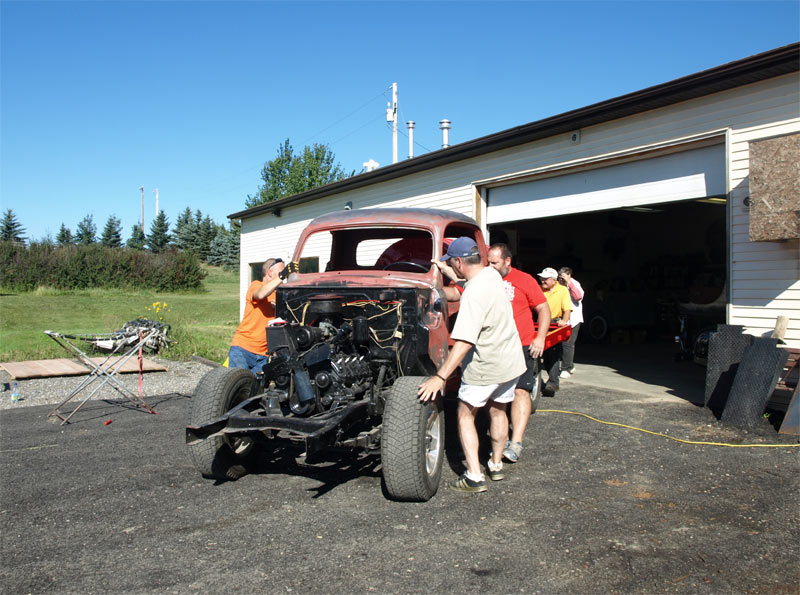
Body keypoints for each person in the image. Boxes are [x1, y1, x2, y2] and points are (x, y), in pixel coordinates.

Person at [419, 237, 526, 494]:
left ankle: (474, 476)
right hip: (510, 362)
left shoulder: (472, 296)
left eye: (452, 263)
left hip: (486, 366)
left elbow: (464, 342)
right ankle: (496, 464)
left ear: (458, 261)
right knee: (498, 410)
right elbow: (471, 281)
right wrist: (451, 274)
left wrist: (440, 377)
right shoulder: (492, 274)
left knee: (466, 414)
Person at [487, 243, 551, 464]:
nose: (490, 266)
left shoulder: (525, 280)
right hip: (495, 347)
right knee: (497, 397)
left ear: (507, 261)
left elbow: (543, 309)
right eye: (488, 262)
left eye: (494, 262)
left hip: (522, 345)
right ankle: (500, 440)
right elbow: (458, 291)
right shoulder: (485, 279)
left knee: (521, 392)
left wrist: (540, 337)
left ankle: (516, 443)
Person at [228, 258, 288, 374]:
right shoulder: (256, 285)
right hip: (243, 350)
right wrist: (281, 277)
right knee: (239, 387)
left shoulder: (278, 294)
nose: (284, 276)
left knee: (256, 390)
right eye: (281, 272)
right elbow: (260, 294)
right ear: (270, 273)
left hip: (264, 356)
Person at [537, 267, 572, 396]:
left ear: (553, 280)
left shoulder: (562, 290)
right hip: (541, 321)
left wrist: (564, 321)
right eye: (542, 278)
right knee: (541, 354)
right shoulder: (540, 290)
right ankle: (540, 381)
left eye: (545, 279)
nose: (542, 281)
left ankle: (553, 383)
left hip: (555, 322)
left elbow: (567, 309)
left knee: (553, 353)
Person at [558, 267, 584, 378]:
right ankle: (570, 365)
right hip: (560, 319)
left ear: (569, 275)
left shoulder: (575, 284)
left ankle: (566, 369)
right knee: (560, 344)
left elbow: (578, 297)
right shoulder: (558, 285)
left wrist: (569, 283)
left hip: (573, 319)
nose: (561, 278)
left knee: (568, 343)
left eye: (563, 276)